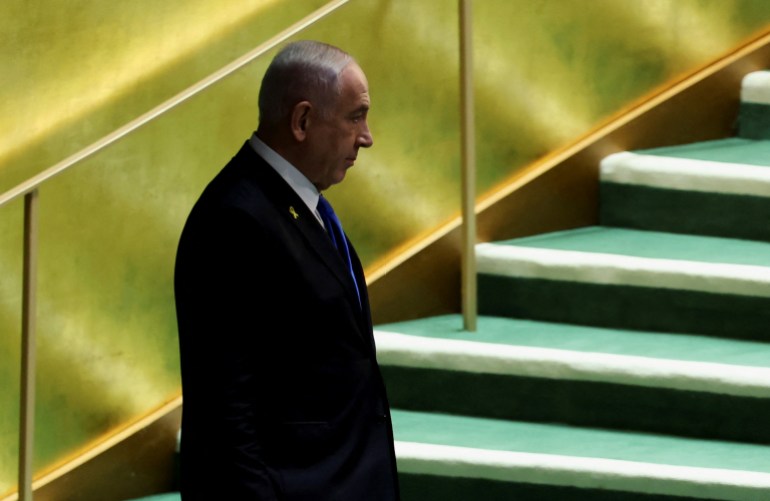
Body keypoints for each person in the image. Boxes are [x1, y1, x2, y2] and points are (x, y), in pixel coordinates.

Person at [173, 40, 400, 500]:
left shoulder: (299, 204)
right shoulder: (235, 218)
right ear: (302, 121)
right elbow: (225, 411)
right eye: (355, 116)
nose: (367, 136)